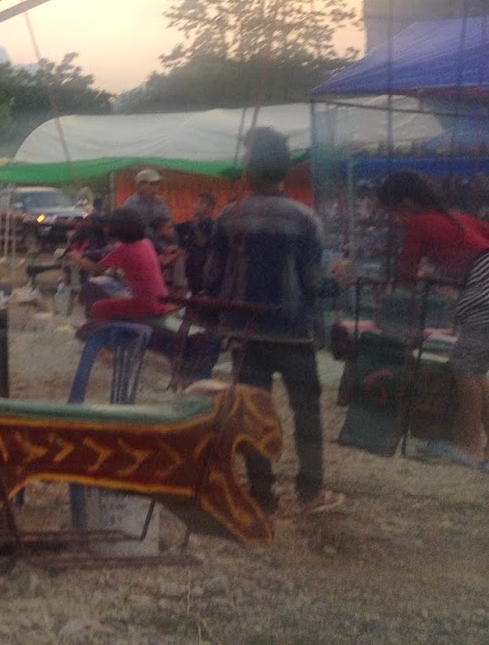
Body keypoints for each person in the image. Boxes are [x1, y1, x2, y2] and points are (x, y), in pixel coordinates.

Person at [211, 127, 342, 516]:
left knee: (253, 412)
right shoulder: (305, 218)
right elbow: (313, 283)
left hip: (245, 331)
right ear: (284, 169)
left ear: (248, 170)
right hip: (293, 334)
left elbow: (213, 276)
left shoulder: (229, 216)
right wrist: (339, 281)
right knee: (306, 411)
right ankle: (310, 492)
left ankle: (262, 495)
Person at [374, 169, 489, 467]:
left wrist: (426, 276)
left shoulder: (418, 223)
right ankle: (482, 446)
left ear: (406, 203)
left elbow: (405, 274)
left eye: (393, 211)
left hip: (482, 288)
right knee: (476, 369)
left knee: (465, 368)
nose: (394, 219)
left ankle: (469, 446)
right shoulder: (457, 217)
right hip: (483, 280)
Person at [66, 207, 169, 323]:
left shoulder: (123, 250)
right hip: (162, 299)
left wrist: (78, 258)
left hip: (146, 304)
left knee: (97, 307)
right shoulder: (146, 243)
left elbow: (96, 268)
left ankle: (107, 332)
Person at [177, 192, 221, 295]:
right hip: (190, 263)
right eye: (196, 202)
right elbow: (175, 231)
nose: (196, 205)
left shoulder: (213, 225)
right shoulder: (188, 224)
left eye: (201, 203)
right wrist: (181, 247)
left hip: (205, 264)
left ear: (210, 208)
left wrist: (195, 226)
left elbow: (203, 242)